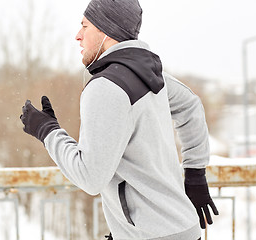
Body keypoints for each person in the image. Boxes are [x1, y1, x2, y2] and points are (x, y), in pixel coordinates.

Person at [20, 0, 219, 239]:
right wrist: (195, 174)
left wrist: (47, 131)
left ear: (106, 30)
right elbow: (191, 106)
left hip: (151, 235)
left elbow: (90, 177)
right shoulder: (148, 74)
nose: (77, 36)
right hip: (180, 229)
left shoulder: (106, 87)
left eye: (85, 26)